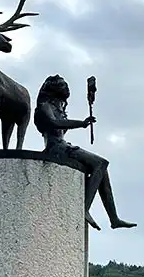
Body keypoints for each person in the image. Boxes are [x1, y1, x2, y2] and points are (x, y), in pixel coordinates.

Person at [33, 74, 136, 231]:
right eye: (62, 86)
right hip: (56, 148)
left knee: (102, 169)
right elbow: (54, 123)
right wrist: (81, 123)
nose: (66, 88)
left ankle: (113, 218)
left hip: (63, 146)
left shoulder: (58, 108)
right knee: (101, 163)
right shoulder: (44, 106)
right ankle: (84, 208)